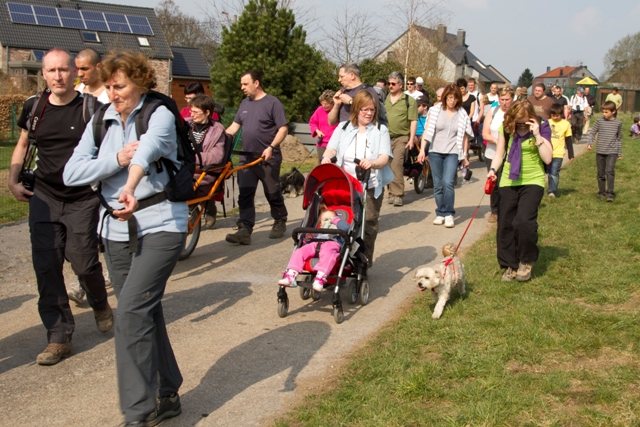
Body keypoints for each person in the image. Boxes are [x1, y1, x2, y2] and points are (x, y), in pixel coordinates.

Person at [63, 50, 187, 426]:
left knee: (131, 312)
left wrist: (129, 183)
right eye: (111, 86)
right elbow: (72, 172)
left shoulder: (159, 114)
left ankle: (137, 413)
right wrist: (115, 160)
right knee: (146, 310)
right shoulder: (100, 119)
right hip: (116, 229)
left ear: (141, 83)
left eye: (121, 86)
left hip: (162, 223)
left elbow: (145, 153)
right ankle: (168, 392)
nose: (114, 93)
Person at [7, 48, 111, 366]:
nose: (58, 76)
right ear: (43, 74)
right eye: (51, 70)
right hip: (44, 196)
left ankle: (99, 301)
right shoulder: (34, 106)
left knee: (83, 262)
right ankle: (59, 337)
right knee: (46, 265)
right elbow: (23, 143)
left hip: (82, 198)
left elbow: (110, 149)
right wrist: (12, 180)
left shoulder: (91, 108)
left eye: (63, 70)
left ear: (74, 72)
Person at [321, 90, 393, 268]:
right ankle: (338, 260)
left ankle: (363, 262)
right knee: (344, 222)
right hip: (347, 185)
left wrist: (373, 163)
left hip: (370, 184)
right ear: (356, 109)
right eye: (365, 109)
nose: (369, 113)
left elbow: (385, 156)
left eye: (372, 109)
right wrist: (327, 157)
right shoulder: (344, 127)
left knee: (368, 224)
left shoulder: (380, 130)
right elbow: (331, 148)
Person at [487, 99, 553, 282]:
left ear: (531, 117)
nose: (521, 125)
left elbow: (548, 159)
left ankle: (526, 260)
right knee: (506, 225)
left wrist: (538, 136)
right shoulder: (506, 128)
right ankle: (510, 264)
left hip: (533, 180)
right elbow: (499, 154)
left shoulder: (543, 127)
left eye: (525, 121)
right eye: (518, 122)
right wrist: (493, 171)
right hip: (508, 179)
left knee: (523, 222)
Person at [69, 47, 112, 305]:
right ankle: (83, 279)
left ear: (98, 67)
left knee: (99, 226)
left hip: (105, 169)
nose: (80, 73)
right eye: (77, 68)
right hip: (83, 169)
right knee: (84, 231)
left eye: (84, 68)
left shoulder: (109, 95)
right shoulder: (76, 95)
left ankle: (100, 273)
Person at [225, 70, 289, 244]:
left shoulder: (272, 102)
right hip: (247, 158)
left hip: (268, 157)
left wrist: (271, 147)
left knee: (272, 192)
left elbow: (283, 129)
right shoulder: (244, 104)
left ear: (256, 83)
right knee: (245, 193)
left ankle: (280, 219)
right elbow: (233, 127)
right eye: (242, 84)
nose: (242, 87)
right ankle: (244, 229)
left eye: (245, 84)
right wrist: (219, 138)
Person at [417, 84, 473, 229]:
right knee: (438, 183)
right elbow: (427, 130)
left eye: (455, 98)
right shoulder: (435, 111)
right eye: (449, 98)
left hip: (453, 152)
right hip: (435, 151)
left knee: (448, 182)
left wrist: (465, 156)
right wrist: (423, 150)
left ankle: (449, 213)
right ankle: (440, 212)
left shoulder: (462, 114)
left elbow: (465, 137)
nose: (452, 101)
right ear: (445, 98)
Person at [278, 208, 349, 292]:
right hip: (314, 245)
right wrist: (307, 237)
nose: (329, 221)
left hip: (331, 244)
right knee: (299, 251)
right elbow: (306, 242)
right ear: (320, 224)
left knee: (328, 254)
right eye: (325, 220)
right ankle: (291, 275)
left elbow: (346, 228)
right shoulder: (318, 232)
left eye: (331, 219)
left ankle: (320, 278)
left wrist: (336, 221)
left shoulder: (339, 234)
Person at [189, 94, 228, 228]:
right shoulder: (186, 126)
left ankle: (208, 207)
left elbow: (216, 157)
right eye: (191, 111)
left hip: (204, 172)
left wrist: (191, 157)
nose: (192, 114)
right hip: (183, 169)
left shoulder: (217, 131)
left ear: (207, 112)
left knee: (184, 189)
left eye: (196, 112)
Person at [482, 86, 515, 223]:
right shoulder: (493, 111)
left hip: (510, 155)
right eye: (502, 99)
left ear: (512, 99)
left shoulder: (515, 113)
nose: (504, 102)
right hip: (492, 153)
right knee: (494, 183)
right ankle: (494, 211)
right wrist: (498, 141)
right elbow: (485, 133)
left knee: (507, 184)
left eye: (507, 99)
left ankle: (507, 210)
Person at [385, 71, 418, 207]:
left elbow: (413, 120)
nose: (390, 86)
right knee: (387, 165)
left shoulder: (408, 100)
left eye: (393, 84)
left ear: (400, 85)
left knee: (397, 164)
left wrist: (411, 139)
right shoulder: (385, 99)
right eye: (389, 84)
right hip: (386, 137)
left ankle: (398, 194)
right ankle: (391, 192)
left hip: (402, 137)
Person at [587, 101, 623, 202]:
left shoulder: (618, 123)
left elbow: (619, 138)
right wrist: (590, 142)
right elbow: (593, 132)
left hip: (612, 152)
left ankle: (610, 193)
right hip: (600, 151)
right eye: (603, 112)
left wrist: (619, 153)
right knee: (601, 173)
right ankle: (601, 192)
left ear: (613, 111)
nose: (604, 114)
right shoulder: (599, 121)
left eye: (606, 112)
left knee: (610, 171)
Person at [547, 103, 574, 198]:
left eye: (557, 115)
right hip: (547, 153)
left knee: (554, 172)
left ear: (561, 114)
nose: (555, 117)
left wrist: (571, 154)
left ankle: (552, 191)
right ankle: (550, 187)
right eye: (553, 115)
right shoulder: (547, 122)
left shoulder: (565, 124)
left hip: (558, 153)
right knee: (549, 173)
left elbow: (568, 140)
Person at [309, 89, 338, 163]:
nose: (324, 106)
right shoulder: (319, 110)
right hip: (322, 144)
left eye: (326, 103)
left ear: (333, 103)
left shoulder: (338, 111)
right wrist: (316, 130)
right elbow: (312, 122)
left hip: (335, 144)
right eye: (322, 103)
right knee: (322, 166)